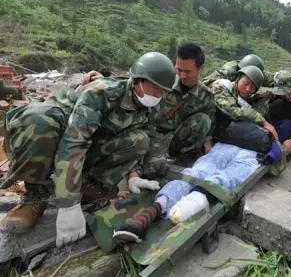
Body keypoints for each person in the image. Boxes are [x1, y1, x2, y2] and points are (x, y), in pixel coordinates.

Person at [0, 52, 175, 248]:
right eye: (155, 88)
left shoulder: (151, 106)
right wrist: (68, 204)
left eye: (163, 91)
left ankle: (89, 186)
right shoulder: (101, 93)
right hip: (58, 136)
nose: (158, 95)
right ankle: (35, 195)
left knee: (140, 140)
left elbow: (144, 136)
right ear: (137, 81)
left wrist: (134, 176)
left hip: (91, 143)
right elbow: (74, 142)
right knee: (39, 121)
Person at [112, 65, 285, 243]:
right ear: (238, 78)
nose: (248, 89)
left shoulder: (261, 101)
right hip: (228, 141)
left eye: (252, 87)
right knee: (199, 171)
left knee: (224, 177)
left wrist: (276, 142)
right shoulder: (224, 88)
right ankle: (152, 213)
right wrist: (264, 124)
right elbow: (230, 110)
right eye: (246, 83)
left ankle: (188, 203)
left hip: (253, 147)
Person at [79, 43, 216, 170]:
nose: (182, 75)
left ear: (201, 69)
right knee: (153, 167)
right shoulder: (163, 80)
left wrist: (208, 152)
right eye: (178, 70)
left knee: (203, 120)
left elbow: (208, 130)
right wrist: (104, 80)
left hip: (173, 138)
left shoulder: (206, 96)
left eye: (187, 71)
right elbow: (135, 83)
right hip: (148, 131)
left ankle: (179, 159)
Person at [202, 53, 274, 88]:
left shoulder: (259, 73)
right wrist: (217, 82)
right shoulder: (229, 70)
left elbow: (272, 80)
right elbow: (205, 83)